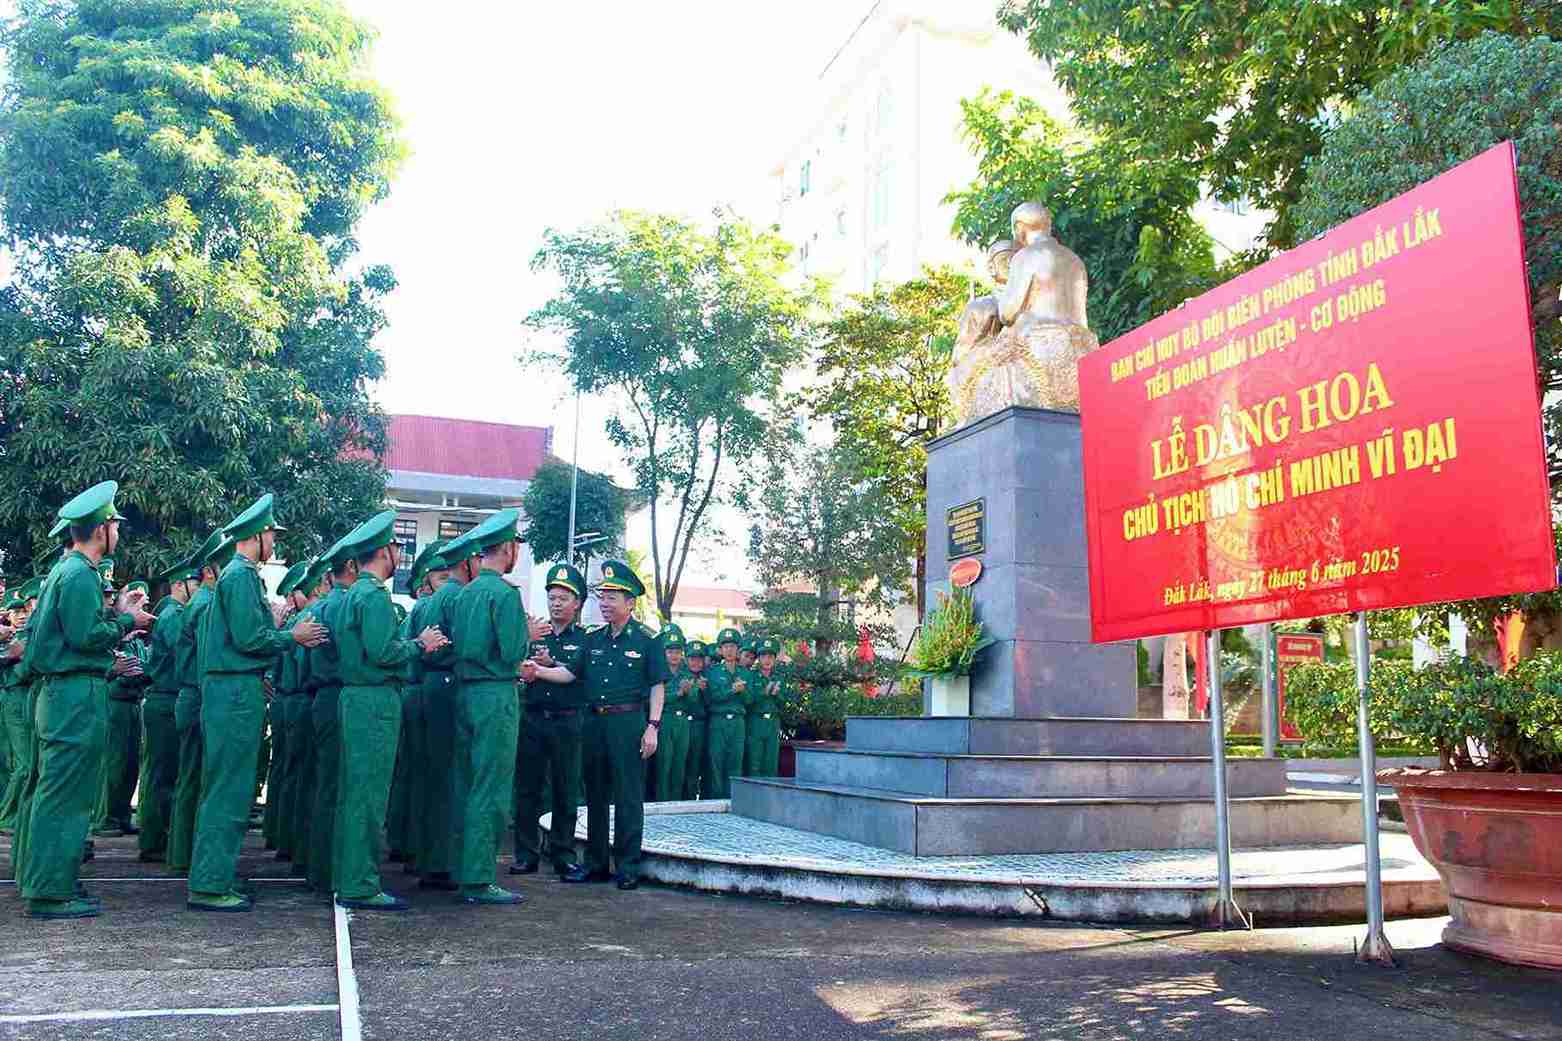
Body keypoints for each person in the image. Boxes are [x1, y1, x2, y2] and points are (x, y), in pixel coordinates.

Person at [18, 481, 157, 919]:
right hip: (72, 695)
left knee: (59, 792)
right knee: (64, 796)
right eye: (114, 524)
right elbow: (85, 637)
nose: (117, 530)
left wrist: (116, 612)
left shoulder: (71, 571)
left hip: (66, 694)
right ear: (101, 530)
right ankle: (49, 892)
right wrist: (125, 621)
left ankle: (52, 882)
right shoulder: (79, 574)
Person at [189, 494, 328, 913]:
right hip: (233, 693)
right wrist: (294, 638)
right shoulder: (242, 575)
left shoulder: (236, 576)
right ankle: (211, 884)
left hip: (231, 690)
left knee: (227, 785)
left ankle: (216, 875)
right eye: (272, 534)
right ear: (257, 536)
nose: (274, 542)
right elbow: (251, 640)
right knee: (229, 788)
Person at [333, 511, 449, 911]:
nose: (398, 553)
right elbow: (384, 652)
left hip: (356, 697)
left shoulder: (353, 596)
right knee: (368, 796)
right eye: (396, 547)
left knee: (355, 793)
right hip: (375, 701)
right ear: (384, 551)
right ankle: (360, 883)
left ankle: (350, 876)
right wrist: (420, 644)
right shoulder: (374, 597)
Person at [563, 560, 668, 891]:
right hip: (594, 722)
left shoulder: (648, 640)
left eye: (612, 598)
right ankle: (596, 863)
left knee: (627, 796)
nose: (605, 604)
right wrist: (534, 672)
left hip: (628, 722)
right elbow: (569, 674)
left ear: (630, 603)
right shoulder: (593, 640)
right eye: (602, 597)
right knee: (594, 793)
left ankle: (627, 866)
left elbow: (657, 685)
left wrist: (653, 726)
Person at [447, 508, 530, 906]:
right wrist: (527, 634)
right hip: (496, 695)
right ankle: (479, 879)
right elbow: (514, 650)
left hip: (464, 692)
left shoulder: (465, 594)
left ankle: (462, 871)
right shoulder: (504, 594)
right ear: (509, 549)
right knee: (491, 786)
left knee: (465, 782)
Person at [512, 562, 589, 877]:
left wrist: (550, 663)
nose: (556, 603)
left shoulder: (586, 640)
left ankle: (563, 853)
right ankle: (526, 854)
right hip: (533, 718)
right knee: (528, 788)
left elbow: (578, 674)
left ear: (578, 603)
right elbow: (515, 665)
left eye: (563, 598)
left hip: (567, 721)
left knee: (565, 788)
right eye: (552, 597)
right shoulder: (534, 634)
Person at [169, 531, 232, 874]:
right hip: (197, 694)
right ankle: (188, 859)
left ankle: (183, 856)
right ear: (210, 573)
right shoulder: (206, 603)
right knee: (196, 779)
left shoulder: (201, 602)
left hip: (192, 694)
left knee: (192, 778)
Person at [410, 537, 467, 891]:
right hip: (445, 685)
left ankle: (427, 856)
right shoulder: (455, 598)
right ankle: (441, 862)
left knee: (430, 778)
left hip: (428, 687)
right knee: (447, 778)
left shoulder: (430, 602)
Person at [307, 532, 359, 896]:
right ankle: (338, 872)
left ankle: (320, 868)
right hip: (342, 694)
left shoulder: (321, 606)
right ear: (353, 567)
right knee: (345, 787)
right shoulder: (348, 604)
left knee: (325, 786)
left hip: (322, 695)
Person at [137, 555, 199, 863]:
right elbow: (185, 650)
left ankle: (155, 837)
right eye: (194, 582)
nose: (198, 587)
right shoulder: (174, 615)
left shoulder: (175, 613)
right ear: (179, 585)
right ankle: (153, 841)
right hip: (167, 698)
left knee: (161, 773)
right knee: (163, 775)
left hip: (167, 697)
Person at [285, 556, 332, 875]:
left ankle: (297, 848)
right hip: (308, 697)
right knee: (312, 780)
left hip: (302, 698)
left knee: (301, 778)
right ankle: (305, 853)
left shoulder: (303, 618)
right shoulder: (311, 619)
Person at [264, 560, 311, 861]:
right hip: (295, 698)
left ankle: (277, 832)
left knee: (283, 770)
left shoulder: (293, 623)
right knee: (295, 772)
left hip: (284, 699)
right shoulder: (300, 625)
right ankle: (288, 838)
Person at [100, 577, 150, 837]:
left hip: (132, 702)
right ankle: (107, 817)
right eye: (134, 601)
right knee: (114, 763)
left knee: (130, 764)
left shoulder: (137, 639)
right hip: (115, 702)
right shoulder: (113, 629)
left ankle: (120, 815)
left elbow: (142, 667)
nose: (141, 607)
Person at [703, 628, 750, 799]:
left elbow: (750, 700)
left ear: (738, 649)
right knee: (716, 761)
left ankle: (733, 800)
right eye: (726, 646)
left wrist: (743, 691)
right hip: (718, 720)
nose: (729, 650)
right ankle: (716, 800)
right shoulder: (712, 672)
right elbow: (712, 698)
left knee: (735, 761)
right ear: (720, 650)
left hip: (738, 721)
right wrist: (732, 689)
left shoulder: (746, 673)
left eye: (732, 646)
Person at [655, 629, 694, 802]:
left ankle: (676, 801)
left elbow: (694, 702)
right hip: (665, 719)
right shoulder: (659, 673)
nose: (674, 656)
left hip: (683, 721)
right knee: (664, 763)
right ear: (664, 653)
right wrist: (678, 693)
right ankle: (661, 800)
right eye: (670, 651)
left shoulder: (686, 674)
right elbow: (656, 699)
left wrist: (689, 692)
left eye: (678, 652)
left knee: (680, 763)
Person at [744, 637, 789, 778]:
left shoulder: (779, 678)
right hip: (756, 721)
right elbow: (748, 701)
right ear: (758, 658)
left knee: (771, 763)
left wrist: (776, 695)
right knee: (754, 763)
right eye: (763, 656)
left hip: (773, 722)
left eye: (770, 656)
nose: (767, 660)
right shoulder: (751, 676)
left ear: (775, 659)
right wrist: (763, 693)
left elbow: (783, 704)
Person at [681, 640, 710, 800]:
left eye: (699, 659)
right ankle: (678, 797)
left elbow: (710, 704)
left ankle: (691, 797)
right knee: (680, 762)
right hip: (684, 722)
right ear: (687, 659)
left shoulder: (707, 677)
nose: (696, 662)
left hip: (699, 724)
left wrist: (704, 691)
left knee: (695, 763)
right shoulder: (682, 676)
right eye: (692, 658)